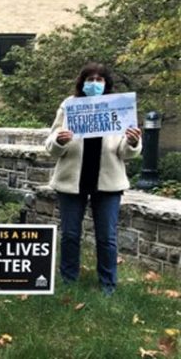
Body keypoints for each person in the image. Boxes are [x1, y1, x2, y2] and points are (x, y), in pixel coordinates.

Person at [45, 63, 141, 296]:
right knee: (69, 234)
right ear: (82, 83)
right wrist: (60, 141)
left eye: (100, 80)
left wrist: (132, 142)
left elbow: (124, 153)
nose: (95, 84)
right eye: (91, 79)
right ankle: (68, 281)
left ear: (106, 84)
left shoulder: (119, 108)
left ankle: (108, 284)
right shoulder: (69, 106)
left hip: (108, 183)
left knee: (107, 237)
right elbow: (50, 147)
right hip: (71, 181)